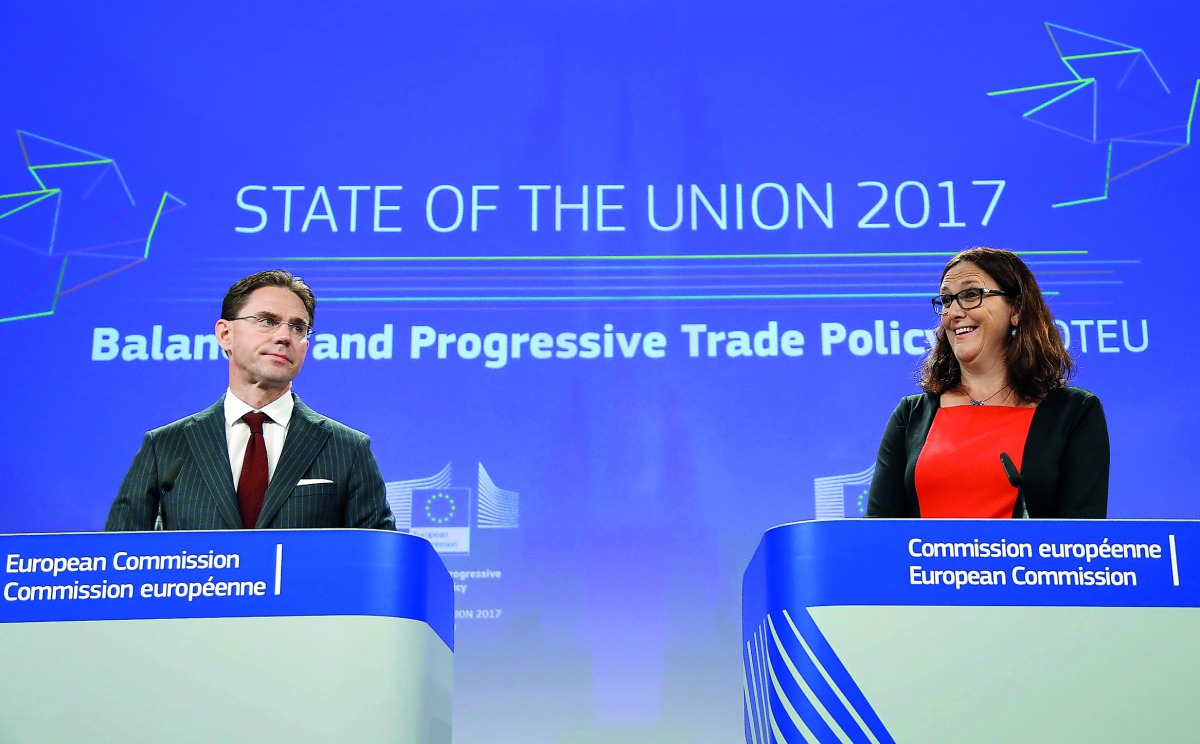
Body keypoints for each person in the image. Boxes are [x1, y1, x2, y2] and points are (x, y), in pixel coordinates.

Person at [106, 270, 395, 530]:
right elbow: (116, 559)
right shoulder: (166, 448)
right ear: (225, 334)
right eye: (267, 321)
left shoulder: (347, 449)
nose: (285, 336)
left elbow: (379, 563)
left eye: (298, 328)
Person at [866, 247, 1108, 518]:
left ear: (1016, 309)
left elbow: (1086, 543)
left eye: (971, 295)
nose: (954, 312)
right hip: (928, 562)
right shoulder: (912, 416)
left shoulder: (1074, 412)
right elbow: (877, 531)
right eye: (946, 300)